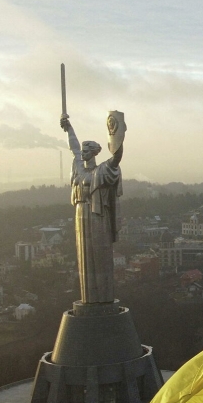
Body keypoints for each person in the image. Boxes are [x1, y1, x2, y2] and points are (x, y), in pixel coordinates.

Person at [60, 116, 123, 304]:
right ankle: (89, 298)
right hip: (80, 214)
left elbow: (116, 158)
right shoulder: (79, 168)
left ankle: (103, 298)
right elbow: (73, 147)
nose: (83, 153)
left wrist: (115, 135)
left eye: (86, 150)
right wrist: (69, 127)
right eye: (83, 150)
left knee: (99, 254)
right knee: (84, 255)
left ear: (94, 152)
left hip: (97, 215)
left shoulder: (101, 170)